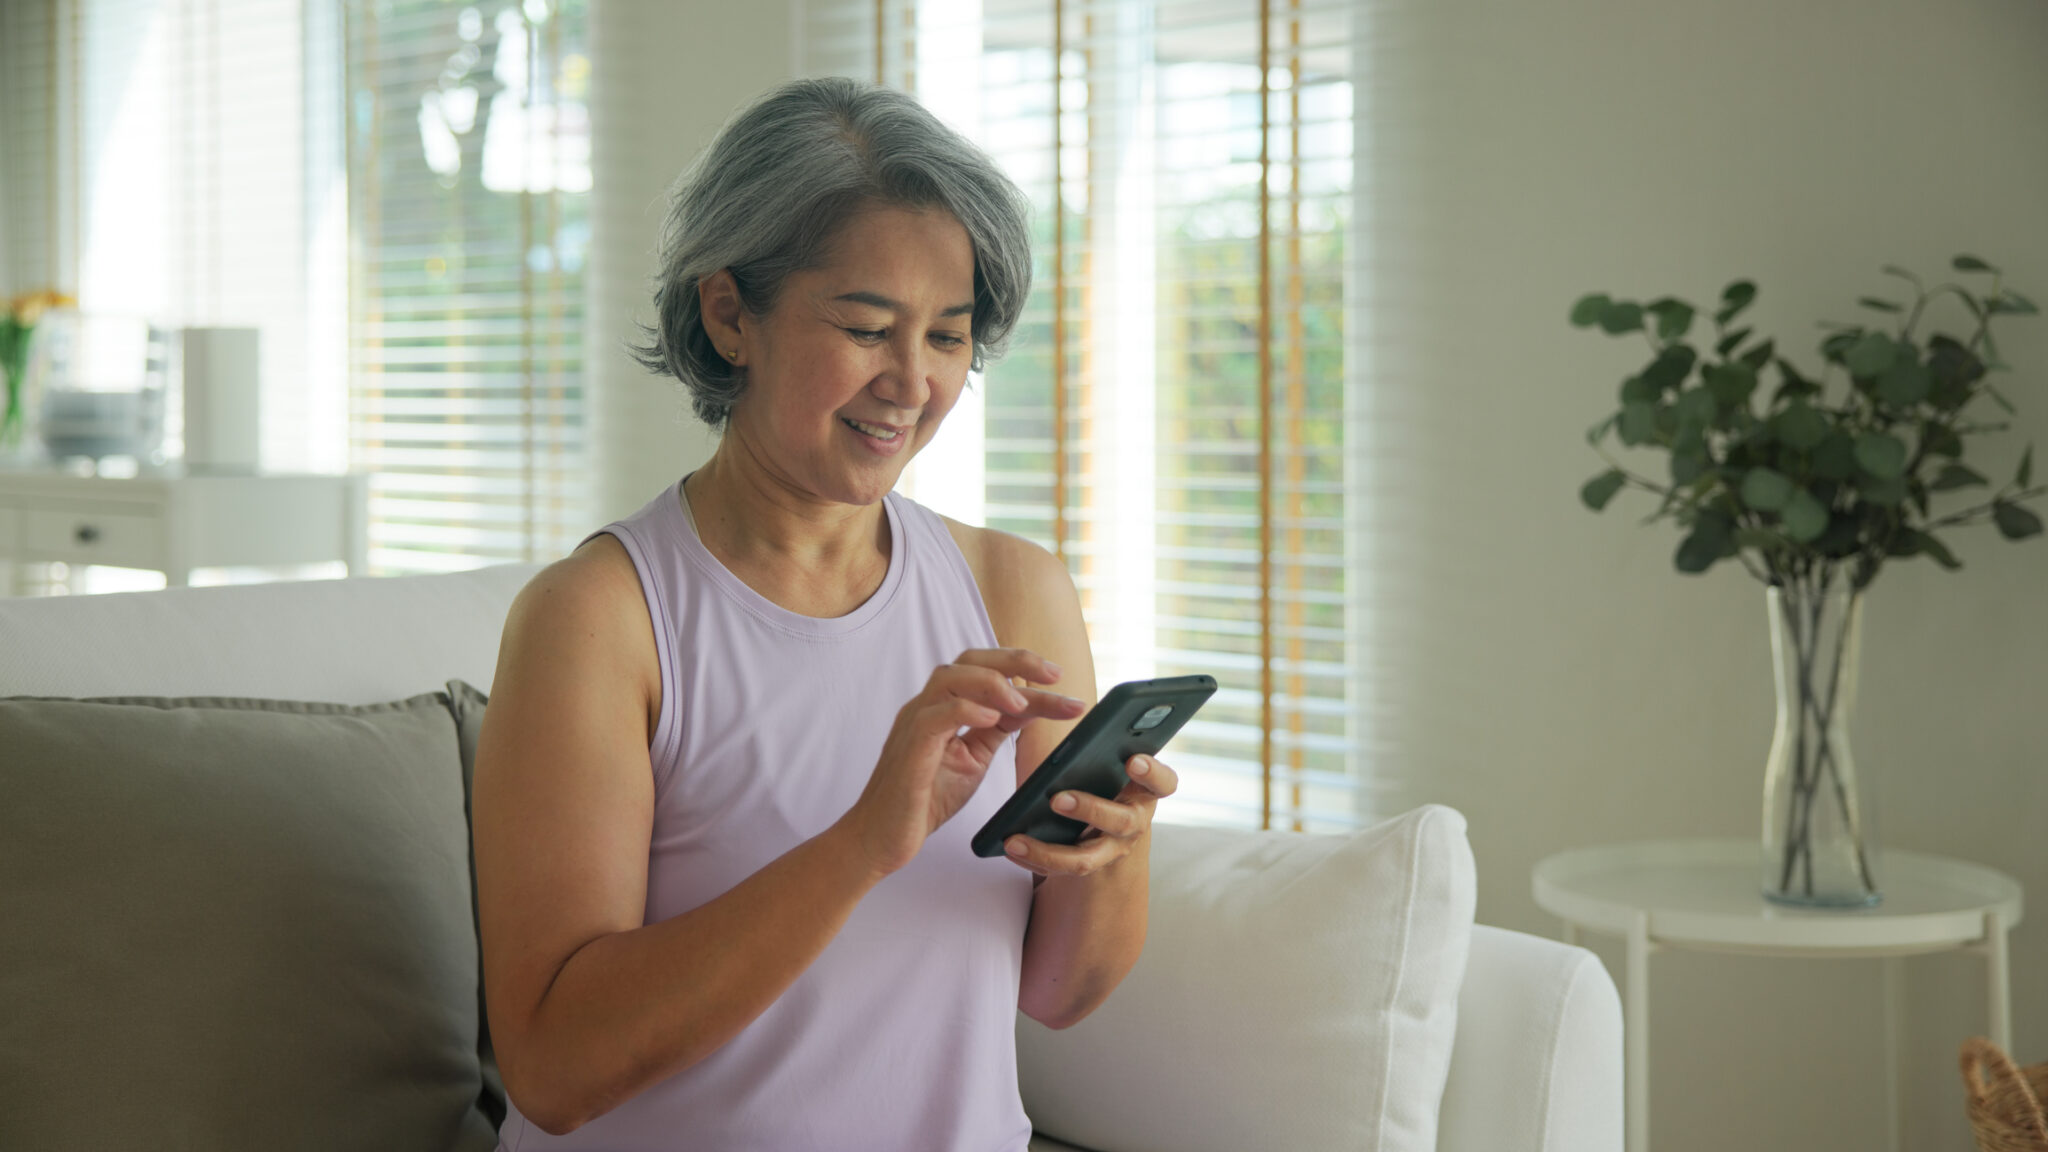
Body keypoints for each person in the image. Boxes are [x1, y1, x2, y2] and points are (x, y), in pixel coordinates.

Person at [471, 77, 1179, 1151]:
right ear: (727, 315)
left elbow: (1062, 993)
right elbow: (555, 1068)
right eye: (865, 328)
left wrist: (1113, 847)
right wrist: (863, 842)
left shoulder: (1012, 590)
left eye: (947, 338)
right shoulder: (599, 619)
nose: (911, 382)